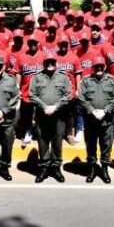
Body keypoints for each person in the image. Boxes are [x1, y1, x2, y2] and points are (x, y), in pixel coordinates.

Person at [77, 57, 114, 183]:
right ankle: (91, 169)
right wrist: (92, 110)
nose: (99, 69)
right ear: (93, 68)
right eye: (96, 66)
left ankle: (105, 169)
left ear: (105, 67)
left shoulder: (111, 81)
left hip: (106, 121)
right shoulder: (86, 81)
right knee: (91, 146)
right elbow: (81, 98)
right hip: (91, 120)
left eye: (101, 66)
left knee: (106, 145)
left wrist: (105, 110)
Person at [29, 54, 72, 183]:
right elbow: (32, 95)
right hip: (42, 116)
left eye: (52, 62)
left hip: (58, 116)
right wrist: (44, 107)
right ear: (44, 63)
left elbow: (68, 94)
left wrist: (55, 107)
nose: (50, 64)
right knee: (43, 143)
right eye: (47, 62)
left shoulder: (63, 77)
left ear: (56, 63)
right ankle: (44, 167)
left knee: (57, 143)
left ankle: (56, 168)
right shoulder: (37, 77)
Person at [13, 37, 45, 147]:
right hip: (26, 91)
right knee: (27, 115)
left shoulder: (43, 55)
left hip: (41, 91)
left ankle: (40, 133)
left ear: (38, 43)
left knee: (41, 114)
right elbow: (17, 72)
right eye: (30, 43)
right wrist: (17, 87)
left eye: (34, 42)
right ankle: (28, 133)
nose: (32, 45)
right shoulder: (21, 57)